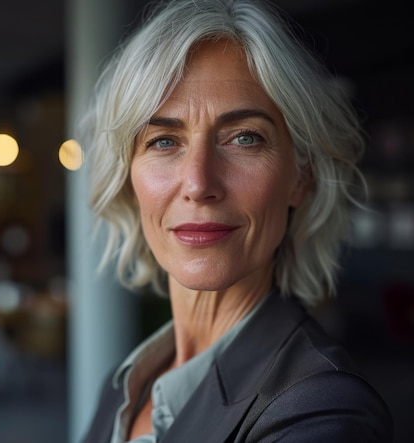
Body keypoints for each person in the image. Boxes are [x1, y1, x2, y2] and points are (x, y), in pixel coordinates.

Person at [78, 0, 394, 442]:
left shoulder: (322, 410)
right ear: (129, 179)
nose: (198, 182)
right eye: (164, 140)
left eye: (245, 138)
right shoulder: (124, 384)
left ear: (301, 176)